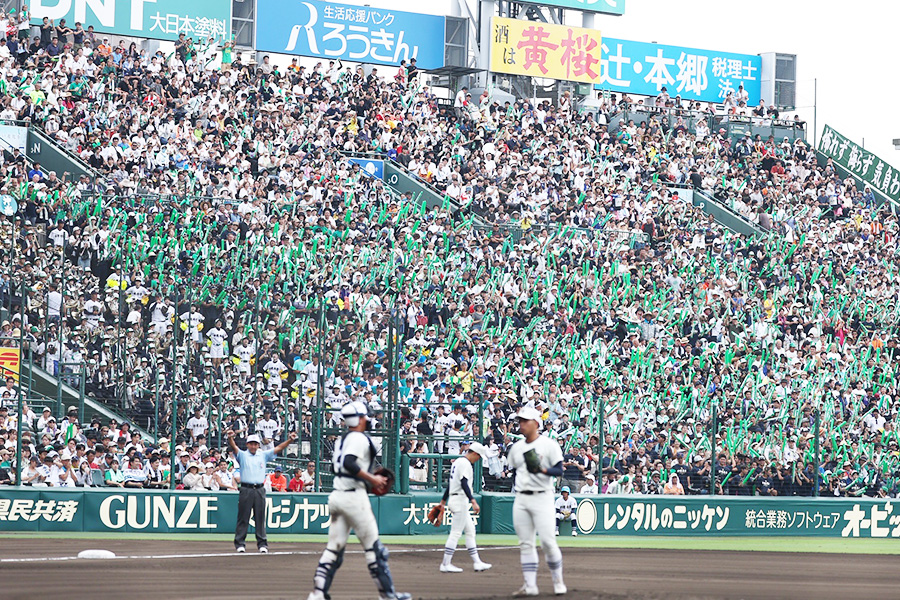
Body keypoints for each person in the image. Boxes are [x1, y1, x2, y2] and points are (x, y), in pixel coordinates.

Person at [306, 401, 410, 600]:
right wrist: (373, 478)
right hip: (354, 497)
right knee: (375, 549)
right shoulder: (358, 438)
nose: (368, 419)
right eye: (365, 416)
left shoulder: (342, 439)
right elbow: (348, 462)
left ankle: (317, 594)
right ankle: (387, 595)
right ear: (360, 418)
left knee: (334, 548)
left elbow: (340, 465)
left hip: (337, 495)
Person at [506, 406, 566, 597]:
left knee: (548, 542)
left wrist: (543, 471)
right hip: (521, 497)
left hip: (543, 497)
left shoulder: (549, 445)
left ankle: (558, 581)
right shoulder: (516, 448)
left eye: (525, 421)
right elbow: (514, 470)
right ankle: (530, 585)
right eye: (520, 421)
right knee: (525, 543)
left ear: (536, 424)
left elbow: (559, 470)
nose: (521, 424)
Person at [227, 429, 297, 553]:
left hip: (259, 489)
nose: (253, 446)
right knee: (243, 517)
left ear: (258, 445)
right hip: (246, 488)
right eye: (251, 444)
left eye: (255, 444)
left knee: (260, 517)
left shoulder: (263, 455)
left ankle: (262, 544)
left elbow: (279, 448)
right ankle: (240, 544)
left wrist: (290, 440)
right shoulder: (243, 455)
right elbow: (234, 446)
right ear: (247, 444)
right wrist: (230, 438)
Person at [437, 441, 492, 573]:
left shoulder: (458, 462)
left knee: (470, 531)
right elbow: (463, 483)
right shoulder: (464, 463)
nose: (478, 459)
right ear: (474, 453)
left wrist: (443, 502)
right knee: (455, 533)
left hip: (456, 498)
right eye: (478, 456)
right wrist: (473, 501)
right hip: (460, 499)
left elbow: (451, 484)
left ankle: (477, 562)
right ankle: (445, 564)